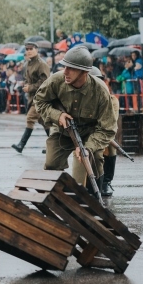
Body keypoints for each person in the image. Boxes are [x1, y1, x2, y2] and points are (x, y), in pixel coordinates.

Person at [34, 48, 117, 192]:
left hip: (89, 134)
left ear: (84, 72)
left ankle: (95, 194)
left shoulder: (100, 91)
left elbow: (107, 128)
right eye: (65, 66)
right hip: (62, 131)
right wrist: (57, 116)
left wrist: (88, 147)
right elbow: (39, 102)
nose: (65, 71)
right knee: (51, 163)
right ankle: (57, 198)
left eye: (71, 69)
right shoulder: (56, 80)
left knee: (93, 162)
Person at [85, 66, 120, 197]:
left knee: (110, 147)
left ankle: (106, 181)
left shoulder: (112, 100)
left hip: (103, 132)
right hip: (86, 132)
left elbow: (110, 121)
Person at [12, 38, 51, 154]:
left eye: (31, 49)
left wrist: (31, 87)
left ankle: (21, 145)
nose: (29, 51)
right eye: (27, 49)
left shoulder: (41, 64)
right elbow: (27, 78)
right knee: (44, 122)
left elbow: (45, 82)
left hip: (41, 98)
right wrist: (25, 85)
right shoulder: (28, 63)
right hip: (32, 97)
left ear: (37, 50)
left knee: (30, 119)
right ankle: (54, 145)